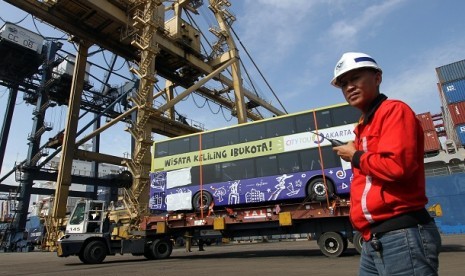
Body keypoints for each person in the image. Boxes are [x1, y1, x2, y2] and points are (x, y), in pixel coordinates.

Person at [330, 52, 441, 275]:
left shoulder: (393, 111)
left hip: (402, 234)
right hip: (373, 238)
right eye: (343, 83)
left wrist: (355, 156)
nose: (349, 87)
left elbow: (398, 167)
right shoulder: (362, 127)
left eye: (355, 78)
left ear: (377, 77)